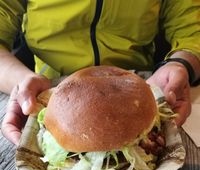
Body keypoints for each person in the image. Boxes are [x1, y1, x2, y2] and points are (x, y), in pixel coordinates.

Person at [0, 1, 200, 145]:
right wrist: (21, 80)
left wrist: (181, 63)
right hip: (51, 93)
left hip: (142, 90)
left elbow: (192, 28)